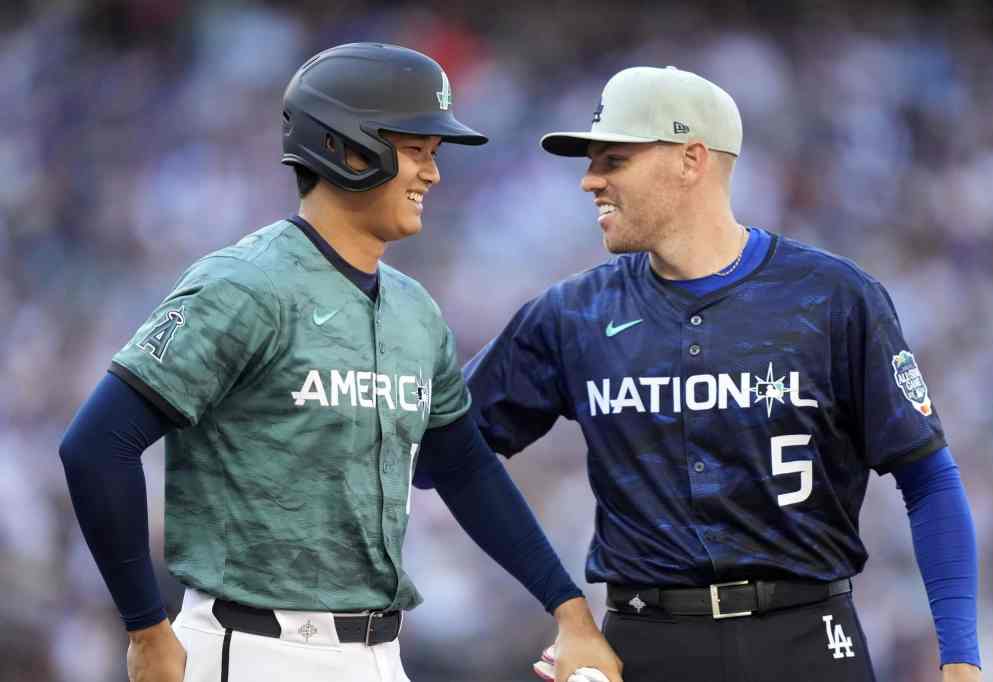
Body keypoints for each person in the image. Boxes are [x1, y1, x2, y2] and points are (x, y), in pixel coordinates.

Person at [59, 43, 621, 682]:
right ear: (346, 148)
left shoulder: (415, 309)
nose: (432, 175)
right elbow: (96, 446)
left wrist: (569, 609)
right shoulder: (245, 285)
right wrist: (145, 629)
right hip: (249, 648)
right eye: (416, 150)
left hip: (380, 653)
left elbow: (464, 465)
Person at [465, 66, 982, 682]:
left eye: (613, 160)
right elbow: (447, 448)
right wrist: (567, 607)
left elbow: (928, 479)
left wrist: (960, 661)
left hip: (807, 639)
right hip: (646, 641)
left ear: (690, 160)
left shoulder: (833, 297)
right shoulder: (573, 314)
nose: (589, 181)